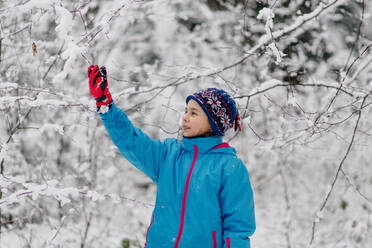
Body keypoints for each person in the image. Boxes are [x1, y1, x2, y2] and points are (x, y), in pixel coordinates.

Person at [87, 65, 256, 248]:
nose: (184, 118)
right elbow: (131, 141)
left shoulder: (229, 168)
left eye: (193, 113)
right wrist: (105, 105)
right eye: (185, 111)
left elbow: (238, 230)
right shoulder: (169, 155)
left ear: (213, 122)